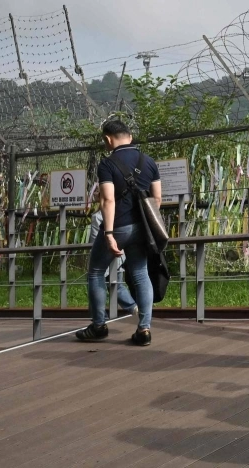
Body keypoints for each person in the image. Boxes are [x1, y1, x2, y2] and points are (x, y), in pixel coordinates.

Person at [76, 120, 160, 346]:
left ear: (107, 139)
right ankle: (144, 329)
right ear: (130, 137)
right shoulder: (149, 162)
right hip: (142, 228)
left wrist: (109, 233)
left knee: (95, 272)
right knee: (141, 274)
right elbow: (157, 199)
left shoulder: (107, 164)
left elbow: (108, 199)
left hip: (118, 226)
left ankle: (98, 326)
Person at [89, 210, 139, 320]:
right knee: (117, 286)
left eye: (97, 191)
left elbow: (94, 240)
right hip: (119, 256)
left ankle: (99, 319)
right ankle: (134, 308)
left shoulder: (97, 217)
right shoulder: (122, 212)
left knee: (94, 280)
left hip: (103, 256)